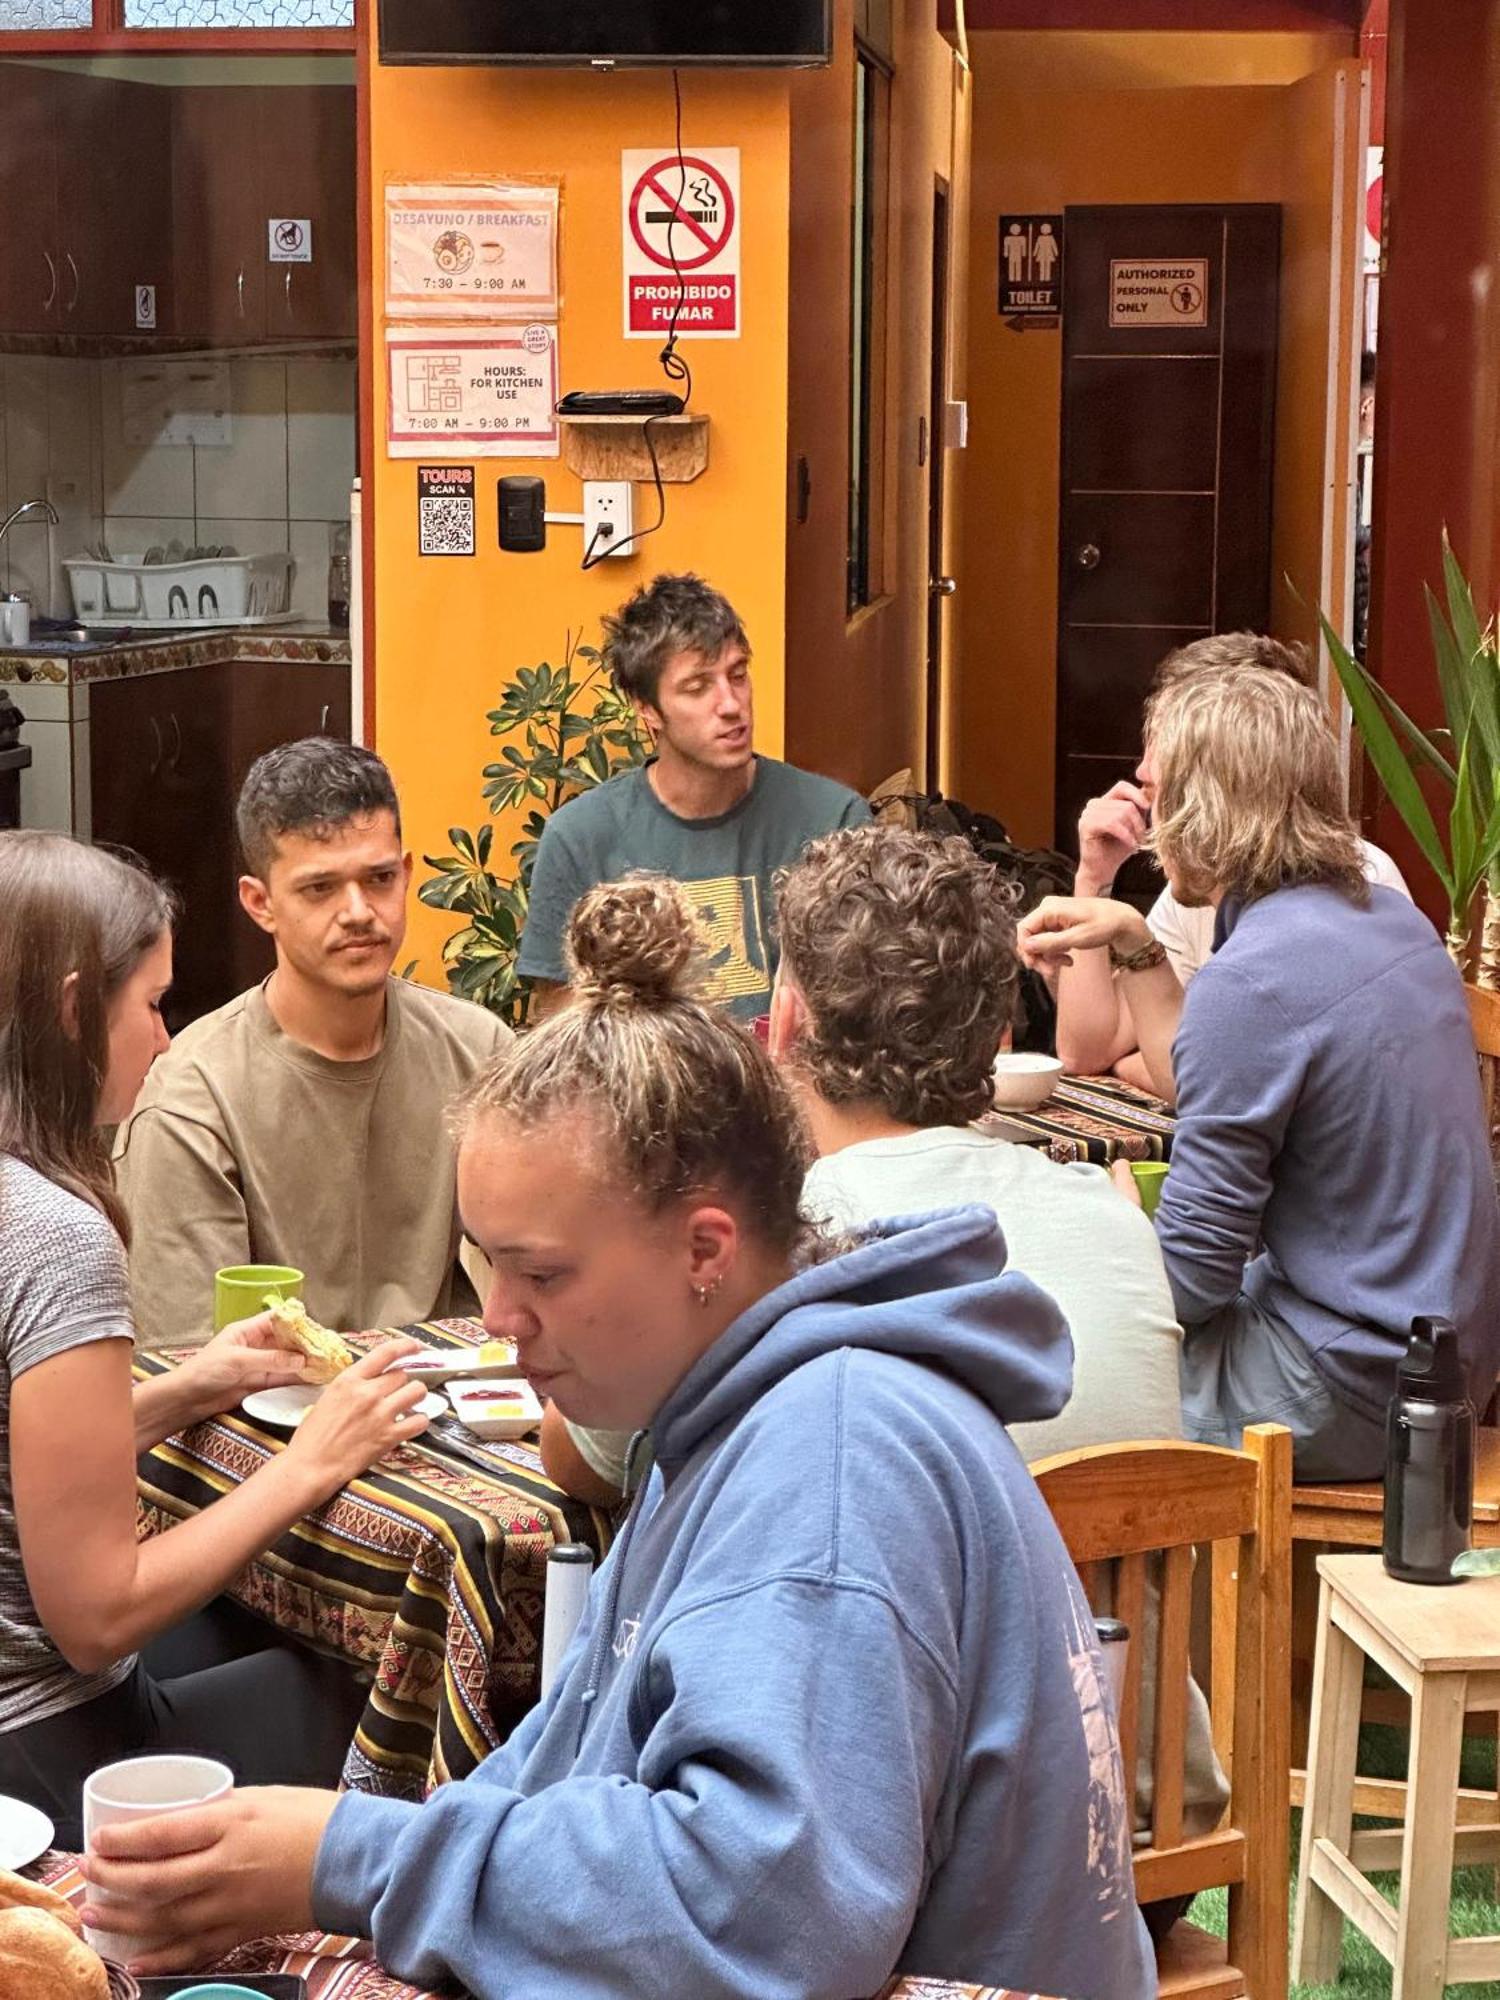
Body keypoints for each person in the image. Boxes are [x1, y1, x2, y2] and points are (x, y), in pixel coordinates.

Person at [82, 877, 1155, 2000]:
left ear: (706, 1247)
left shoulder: (834, 1456)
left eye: (540, 1271)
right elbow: (581, 1759)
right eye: (487, 1262)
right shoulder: (736, 1404)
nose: (497, 1317)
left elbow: (761, 1909)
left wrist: (349, 1856)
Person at [0, 832, 431, 1847]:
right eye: (150, 1003)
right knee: (358, 1686)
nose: (162, 1039)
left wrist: (194, 1384)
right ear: (70, 1007)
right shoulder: (54, 1237)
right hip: (40, 1739)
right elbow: (97, 1616)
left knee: (248, 1620)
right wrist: (309, 1463)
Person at [1020, 666, 1500, 1480]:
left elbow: (1189, 1285)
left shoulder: (1255, 981)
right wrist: (1136, 941)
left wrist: (1111, 1228)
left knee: (1053, 1388)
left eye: (1159, 788)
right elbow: (1216, 1075)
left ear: (1209, 810)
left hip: (1354, 1386)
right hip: (1446, 1360)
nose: (1145, 805)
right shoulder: (1390, 918)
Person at [114, 739, 510, 1347]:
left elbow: (549, 1264)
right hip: (264, 1420)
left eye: (378, 879)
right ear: (260, 903)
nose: (358, 912)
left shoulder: (478, 1049)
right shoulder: (193, 1098)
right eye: (320, 889)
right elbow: (184, 1360)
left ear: (406, 875)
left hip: (446, 1400)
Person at [1056, 632, 1407, 1099]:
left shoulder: (1357, 887)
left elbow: (1217, 1087)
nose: (1143, 771)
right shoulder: (1201, 886)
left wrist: (1143, 1063)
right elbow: (1088, 1051)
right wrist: (1094, 880)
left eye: (1179, 734)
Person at [515, 572, 871, 1022]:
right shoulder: (580, 837)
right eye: (697, 687)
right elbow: (562, 1030)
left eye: (738, 675)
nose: (730, 704)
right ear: (646, 708)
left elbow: (864, 1011)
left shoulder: (833, 820)